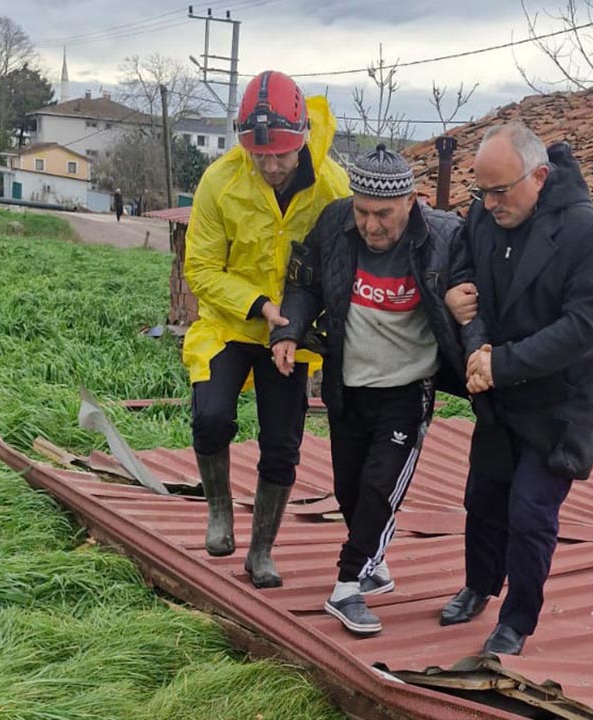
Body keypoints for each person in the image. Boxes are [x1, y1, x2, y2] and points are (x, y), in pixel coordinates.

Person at [270, 144, 472, 635]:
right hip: (348, 379)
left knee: (381, 487)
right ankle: (375, 562)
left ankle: (347, 585)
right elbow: (306, 285)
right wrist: (288, 331)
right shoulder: (335, 223)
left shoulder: (445, 236)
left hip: (407, 386)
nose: (371, 224)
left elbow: (477, 288)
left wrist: (461, 310)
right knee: (350, 489)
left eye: (383, 213)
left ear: (410, 202)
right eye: (362, 211)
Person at [441, 122, 593, 656]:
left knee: (530, 511)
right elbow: (464, 277)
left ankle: (517, 619)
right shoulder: (482, 214)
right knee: (484, 496)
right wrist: (472, 340)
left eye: (500, 191)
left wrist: (502, 364)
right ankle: (479, 585)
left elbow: (585, 326)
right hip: (500, 389)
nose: (490, 203)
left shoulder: (587, 232)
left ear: (539, 177)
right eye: (482, 191)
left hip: (562, 399)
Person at [183, 70, 350, 588]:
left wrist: (298, 326)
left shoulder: (332, 188)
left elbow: (340, 271)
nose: (271, 166)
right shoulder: (219, 181)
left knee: (282, 444)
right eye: (261, 156)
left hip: (291, 335)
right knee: (211, 417)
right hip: (230, 324)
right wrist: (256, 304)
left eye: (280, 154)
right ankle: (218, 511)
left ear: (301, 140)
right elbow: (201, 269)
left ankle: (261, 551)